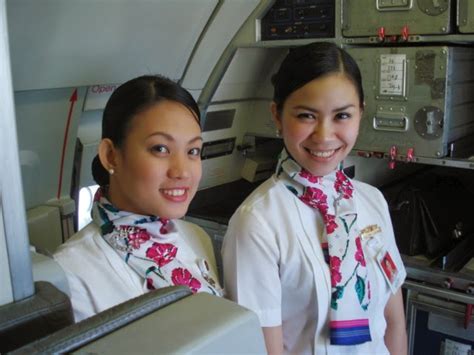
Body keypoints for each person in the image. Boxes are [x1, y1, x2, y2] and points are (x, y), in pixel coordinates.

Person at [222, 42, 407, 354]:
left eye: (342, 116)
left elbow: (394, 320)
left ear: (360, 114)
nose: (324, 135)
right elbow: (264, 348)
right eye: (307, 115)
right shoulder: (257, 222)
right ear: (277, 116)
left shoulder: (371, 201)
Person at [54, 75, 222, 322]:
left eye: (192, 151)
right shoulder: (70, 274)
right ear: (111, 155)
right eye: (160, 149)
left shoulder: (197, 237)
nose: (182, 171)